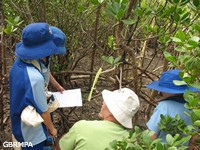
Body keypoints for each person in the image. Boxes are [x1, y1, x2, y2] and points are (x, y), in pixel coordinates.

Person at [9, 22, 66, 150]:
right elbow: (43, 110)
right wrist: (52, 129)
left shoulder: (22, 62)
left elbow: (45, 70)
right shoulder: (34, 78)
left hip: (20, 111)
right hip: (30, 127)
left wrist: (56, 85)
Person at [58, 88, 140, 150]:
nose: (103, 102)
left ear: (112, 110)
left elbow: (60, 148)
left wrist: (64, 138)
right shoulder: (131, 142)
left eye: (107, 102)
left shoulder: (82, 127)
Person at [146, 69, 199, 145]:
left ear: (169, 91)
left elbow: (151, 135)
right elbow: (194, 139)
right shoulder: (193, 110)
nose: (161, 92)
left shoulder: (164, 106)